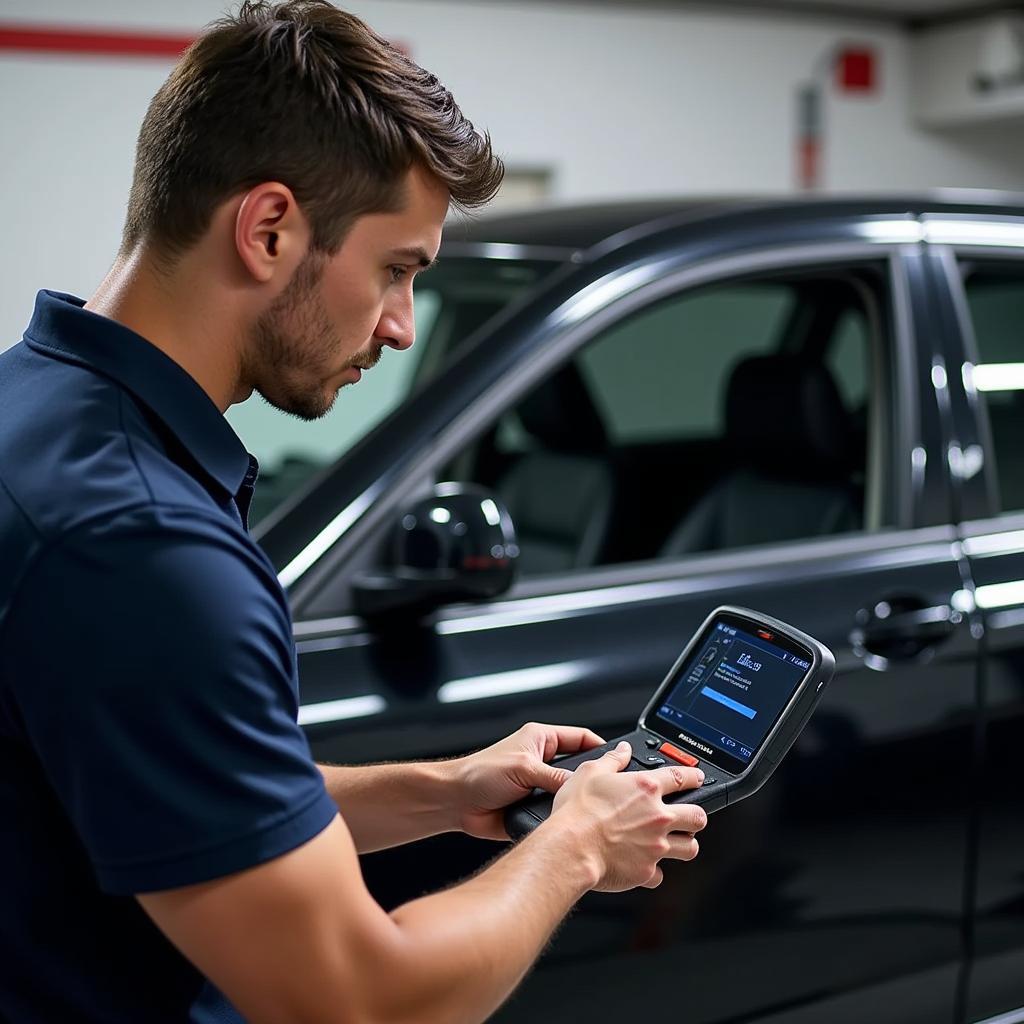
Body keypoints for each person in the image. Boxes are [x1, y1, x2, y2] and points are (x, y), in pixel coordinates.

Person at [0, 2, 708, 1021]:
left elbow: (170, 792)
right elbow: (360, 1003)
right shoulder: (140, 546)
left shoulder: (33, 406)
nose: (400, 324)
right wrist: (577, 843)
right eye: (397, 269)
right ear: (270, 228)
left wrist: (446, 788)